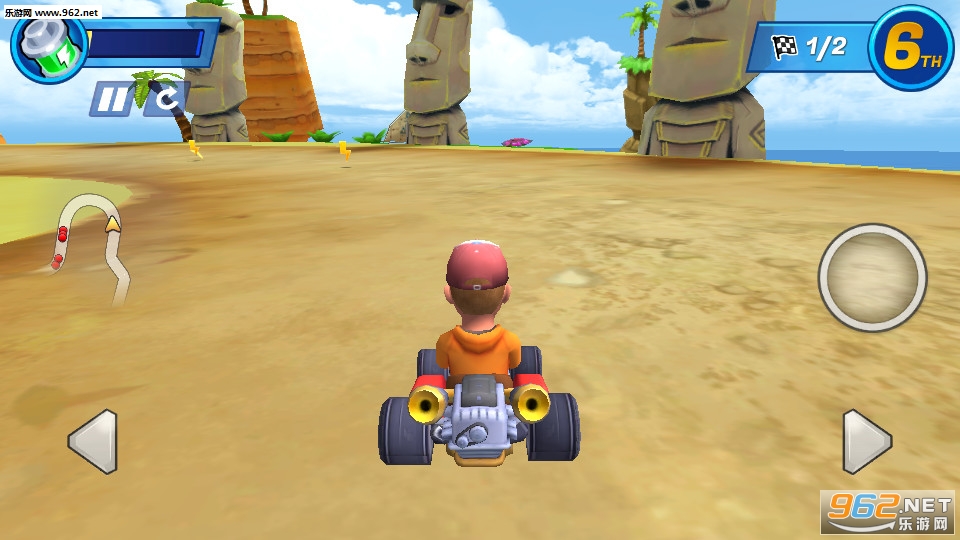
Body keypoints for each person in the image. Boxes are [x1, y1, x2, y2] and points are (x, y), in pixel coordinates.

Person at [410, 240, 548, 393]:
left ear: (448, 294)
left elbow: (442, 366)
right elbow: (515, 365)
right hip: (504, 398)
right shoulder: (510, 340)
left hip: (454, 398)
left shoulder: (445, 341)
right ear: (506, 294)